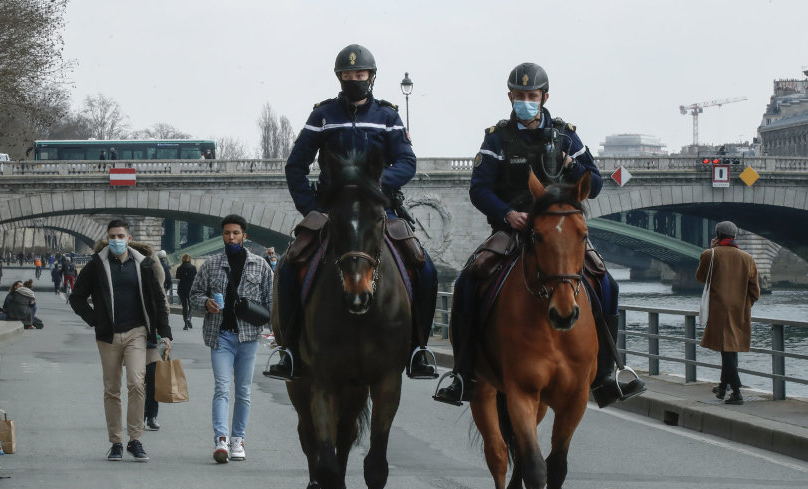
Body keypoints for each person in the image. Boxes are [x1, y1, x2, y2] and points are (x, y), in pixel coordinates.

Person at [433, 62, 646, 408]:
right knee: (469, 281)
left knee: (607, 283)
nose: (525, 101)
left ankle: (607, 373)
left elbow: (594, 184)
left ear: (544, 97)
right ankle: (463, 373)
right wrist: (506, 213)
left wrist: (570, 164)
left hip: (558, 229)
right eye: (519, 96)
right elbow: (478, 189)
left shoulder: (566, 135)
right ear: (510, 97)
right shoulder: (497, 137)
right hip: (512, 227)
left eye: (532, 96)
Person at [269, 43, 438, 381]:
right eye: (347, 75)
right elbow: (296, 165)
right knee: (288, 266)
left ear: (371, 78)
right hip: (332, 211)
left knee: (426, 268)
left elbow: (407, 162)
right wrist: (311, 208)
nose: (354, 80)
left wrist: (374, 185)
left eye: (359, 75)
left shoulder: (388, 116)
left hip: (379, 209)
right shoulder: (322, 115)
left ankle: (419, 348)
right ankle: (288, 348)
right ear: (339, 77)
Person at [69, 219, 172, 462]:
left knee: (137, 384)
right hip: (108, 335)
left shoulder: (143, 264)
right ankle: (116, 442)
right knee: (112, 389)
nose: (116, 240)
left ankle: (135, 440)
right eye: (112, 236)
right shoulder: (96, 265)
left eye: (120, 236)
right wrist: (95, 320)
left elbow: (158, 300)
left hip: (137, 332)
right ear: (107, 238)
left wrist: (165, 333)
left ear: (129, 237)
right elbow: (77, 298)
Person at [189, 214, 274, 463]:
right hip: (221, 336)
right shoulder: (211, 265)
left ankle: (238, 439)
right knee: (222, 388)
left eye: (236, 233)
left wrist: (277, 329)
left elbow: (271, 301)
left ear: (244, 236)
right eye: (227, 233)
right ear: (222, 235)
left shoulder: (260, 265)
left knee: (244, 391)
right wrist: (206, 303)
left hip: (248, 337)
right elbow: (194, 295)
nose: (231, 237)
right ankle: (221, 440)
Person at [696, 221, 760, 405]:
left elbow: (700, 277)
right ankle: (723, 388)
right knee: (730, 350)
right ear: (735, 236)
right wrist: (744, 306)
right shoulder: (747, 258)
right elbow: (755, 290)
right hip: (740, 310)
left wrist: (711, 250)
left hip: (719, 311)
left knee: (727, 350)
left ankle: (737, 392)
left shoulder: (710, 254)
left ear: (717, 235)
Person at [175, 253, 197, 330]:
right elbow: (196, 277)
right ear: (189, 259)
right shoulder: (193, 267)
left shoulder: (179, 268)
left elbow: (177, 277)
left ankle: (185, 325)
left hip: (182, 288)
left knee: (184, 306)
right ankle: (189, 318)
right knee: (191, 305)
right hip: (191, 288)